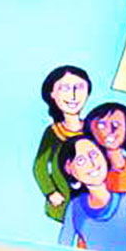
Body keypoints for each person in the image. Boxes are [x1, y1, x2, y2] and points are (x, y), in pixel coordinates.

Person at [57, 135, 126, 251]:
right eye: (81, 160)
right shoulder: (74, 208)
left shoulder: (123, 201)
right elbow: (63, 246)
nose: (92, 163)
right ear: (69, 168)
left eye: (93, 154)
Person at [34, 65, 91, 222]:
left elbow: (121, 132)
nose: (73, 95)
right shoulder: (53, 132)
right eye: (65, 88)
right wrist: (50, 192)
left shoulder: (93, 126)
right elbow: (40, 166)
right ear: (52, 93)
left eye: (79, 87)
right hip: (64, 200)